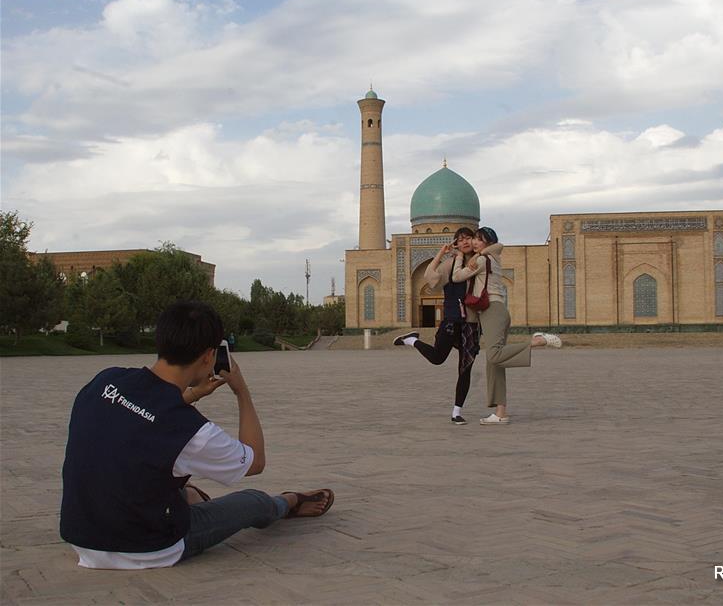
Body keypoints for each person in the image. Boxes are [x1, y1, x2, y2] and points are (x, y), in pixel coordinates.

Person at [59, 301, 334, 569]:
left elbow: (143, 419)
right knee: (251, 501)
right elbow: (255, 461)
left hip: (83, 537)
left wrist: (192, 395)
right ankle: (289, 502)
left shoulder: (106, 380)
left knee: (164, 474)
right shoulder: (190, 430)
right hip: (147, 547)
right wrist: (241, 391)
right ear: (208, 356)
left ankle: (186, 496)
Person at [452, 227, 562, 425]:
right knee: (495, 363)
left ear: (487, 242)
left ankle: (537, 341)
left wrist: (460, 256)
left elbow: (456, 277)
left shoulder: (481, 260)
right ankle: (500, 413)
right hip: (497, 311)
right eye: (474, 239)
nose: (475, 243)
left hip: (492, 310)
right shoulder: (492, 257)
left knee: (493, 355)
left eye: (479, 240)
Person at [393, 228, 481, 424]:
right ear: (456, 244)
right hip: (452, 319)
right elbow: (430, 277)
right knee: (437, 358)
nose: (465, 241)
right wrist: (442, 252)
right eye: (460, 239)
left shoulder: (481, 260)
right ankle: (412, 340)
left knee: (465, 368)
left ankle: (456, 412)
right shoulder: (449, 264)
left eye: (468, 238)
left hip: (471, 324)